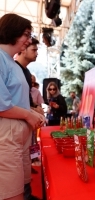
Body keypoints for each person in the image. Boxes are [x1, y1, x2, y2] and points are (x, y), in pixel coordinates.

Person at [0, 13, 45, 200]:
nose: (28, 40)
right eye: (26, 34)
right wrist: (28, 115)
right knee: (12, 193)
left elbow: (14, 98)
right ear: (12, 32)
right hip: (8, 134)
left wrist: (32, 111)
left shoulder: (11, 62)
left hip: (19, 134)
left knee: (23, 185)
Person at [15, 35, 43, 199]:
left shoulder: (25, 71)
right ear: (22, 49)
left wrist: (34, 108)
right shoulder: (13, 68)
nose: (37, 53)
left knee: (25, 165)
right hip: (14, 128)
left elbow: (24, 100)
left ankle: (27, 193)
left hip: (24, 124)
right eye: (34, 49)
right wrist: (31, 110)